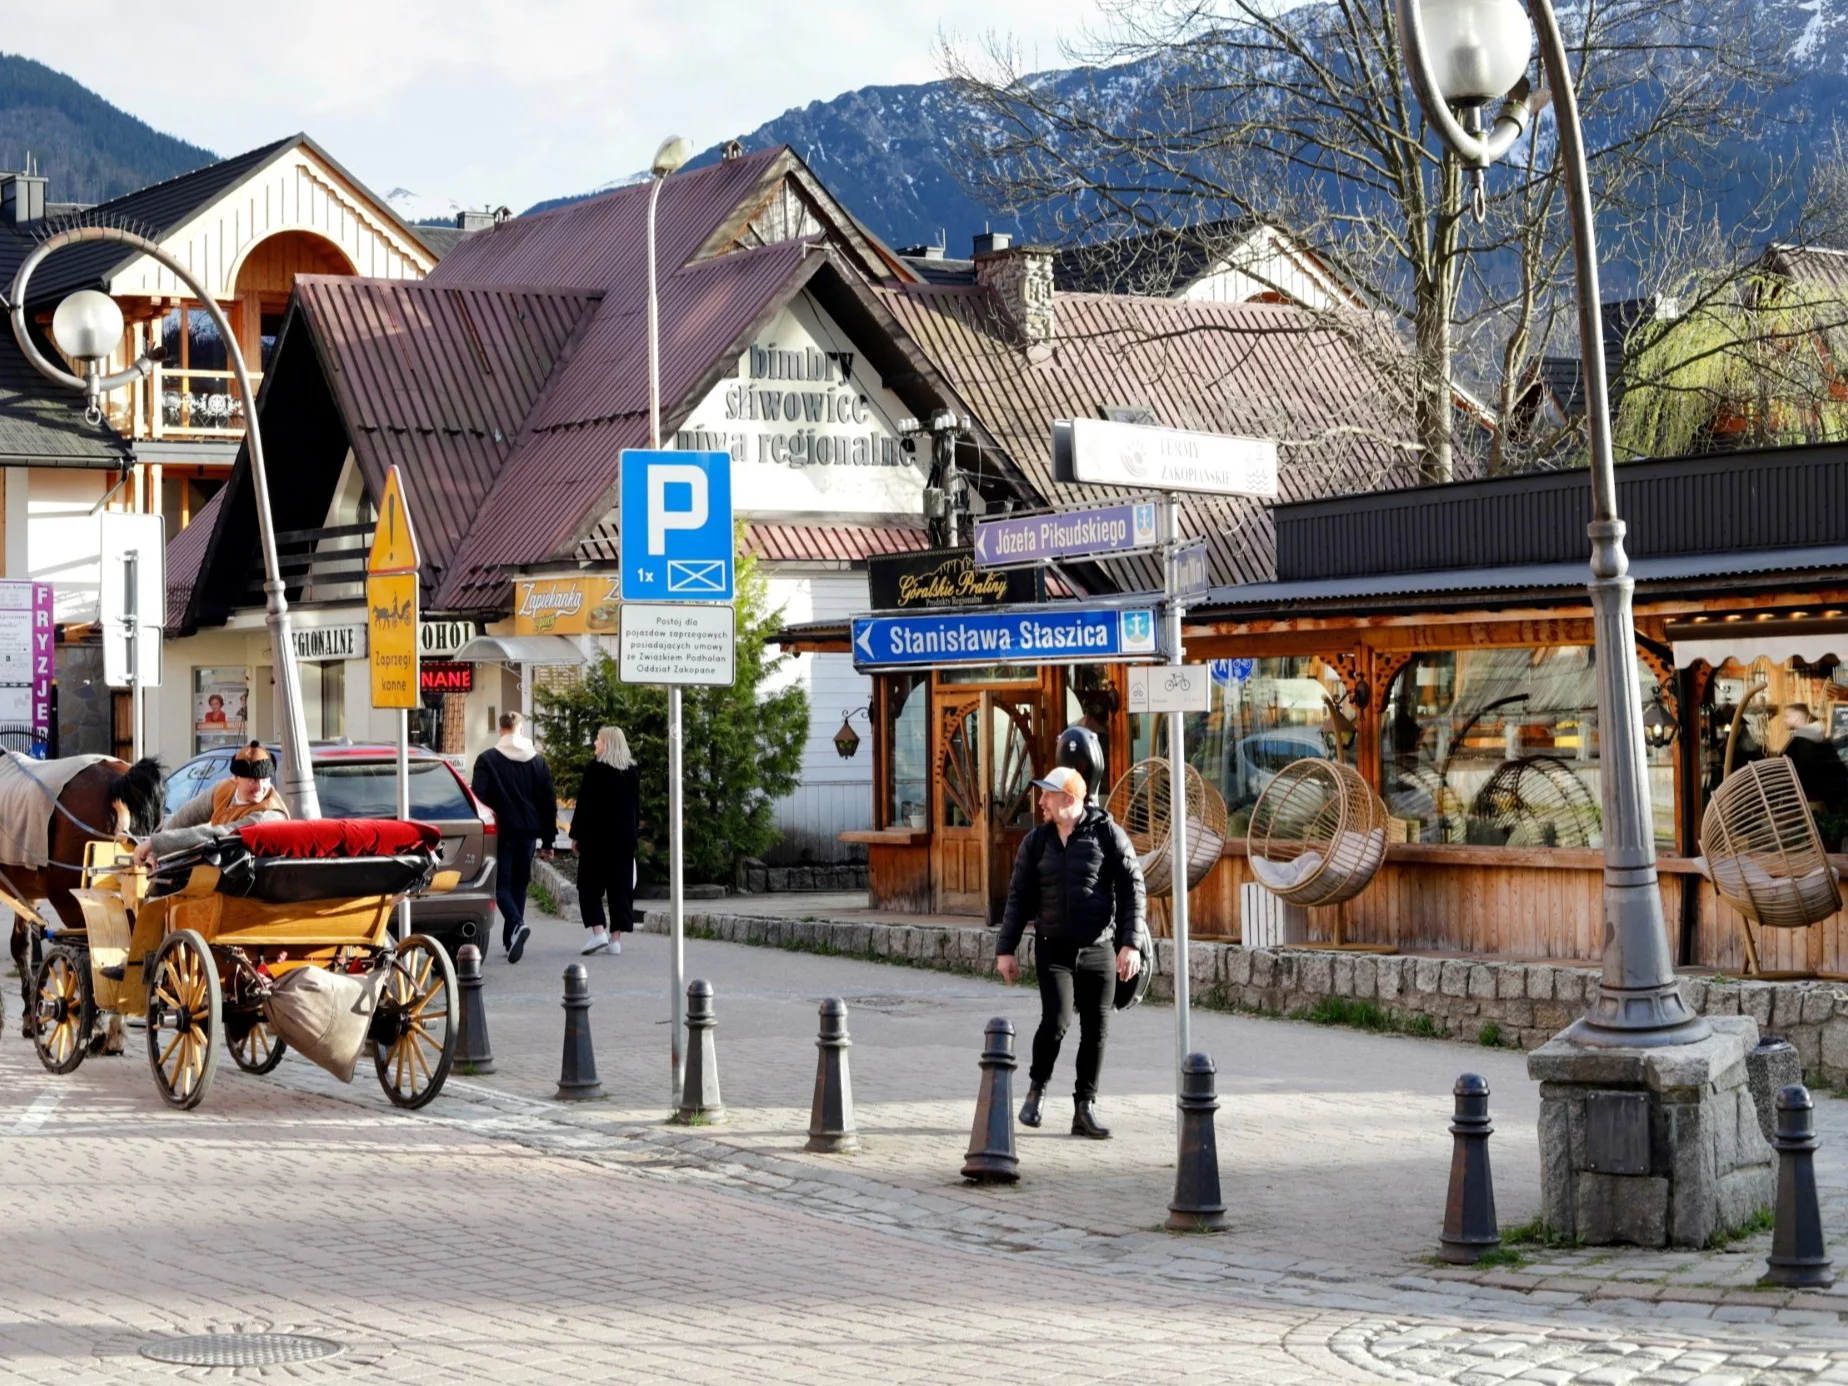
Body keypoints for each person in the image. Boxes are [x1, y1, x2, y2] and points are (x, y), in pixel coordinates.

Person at [994, 765, 1145, 1140]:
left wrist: (1131, 944)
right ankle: (1036, 1091)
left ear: (1071, 800)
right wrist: (1006, 950)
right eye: (1042, 794)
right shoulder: (1036, 842)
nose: (1041, 801)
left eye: (1048, 794)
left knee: (1096, 1031)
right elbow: (1018, 898)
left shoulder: (1109, 835)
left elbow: (1133, 890)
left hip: (1099, 950)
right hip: (1053, 949)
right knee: (1057, 1021)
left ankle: (1084, 1109)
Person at [470, 711, 558, 964]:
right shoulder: (538, 761)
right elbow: (548, 803)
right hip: (529, 832)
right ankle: (511, 939)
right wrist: (549, 841)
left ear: (501, 731)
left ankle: (517, 925)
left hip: (502, 832)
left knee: (501, 886)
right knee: (520, 885)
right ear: (520, 729)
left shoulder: (487, 760)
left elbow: (479, 798)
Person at [134, 741, 288, 865]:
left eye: (265, 780)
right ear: (236, 778)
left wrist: (155, 843)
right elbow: (187, 816)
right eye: (253, 780)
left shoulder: (268, 814)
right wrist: (156, 852)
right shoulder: (223, 789)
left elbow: (214, 835)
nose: (260, 787)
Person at [570, 725, 641, 956]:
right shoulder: (631, 772)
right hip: (623, 842)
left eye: (598, 740)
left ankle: (598, 931)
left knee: (589, 886)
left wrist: (576, 836)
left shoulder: (595, 769)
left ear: (608, 743)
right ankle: (615, 940)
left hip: (596, 840)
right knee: (620, 890)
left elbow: (584, 806)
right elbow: (635, 810)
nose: (594, 743)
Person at [1782, 703, 1848, 814]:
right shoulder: (1815, 735)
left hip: (1817, 800)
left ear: (1798, 717)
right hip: (1835, 795)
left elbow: (1805, 770)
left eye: (1787, 716)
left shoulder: (1804, 739)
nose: (1784, 720)